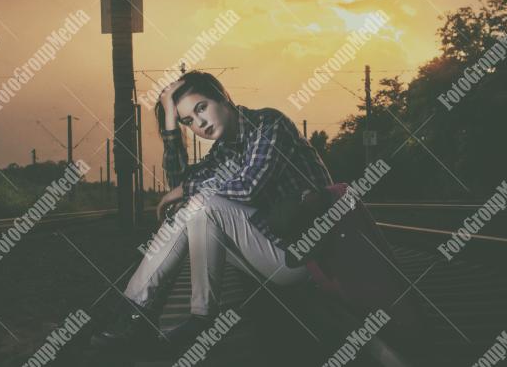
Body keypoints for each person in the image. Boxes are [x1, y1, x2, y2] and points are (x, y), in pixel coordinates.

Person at [91, 70, 335, 349]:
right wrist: (171, 125)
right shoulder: (224, 150)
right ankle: (135, 316)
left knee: (200, 202)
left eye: (201, 108)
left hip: (304, 258)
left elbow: (247, 188)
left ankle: (200, 319)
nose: (200, 123)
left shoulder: (268, 123)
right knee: (189, 209)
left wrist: (185, 191)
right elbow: (179, 181)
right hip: (270, 251)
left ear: (223, 97)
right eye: (188, 121)